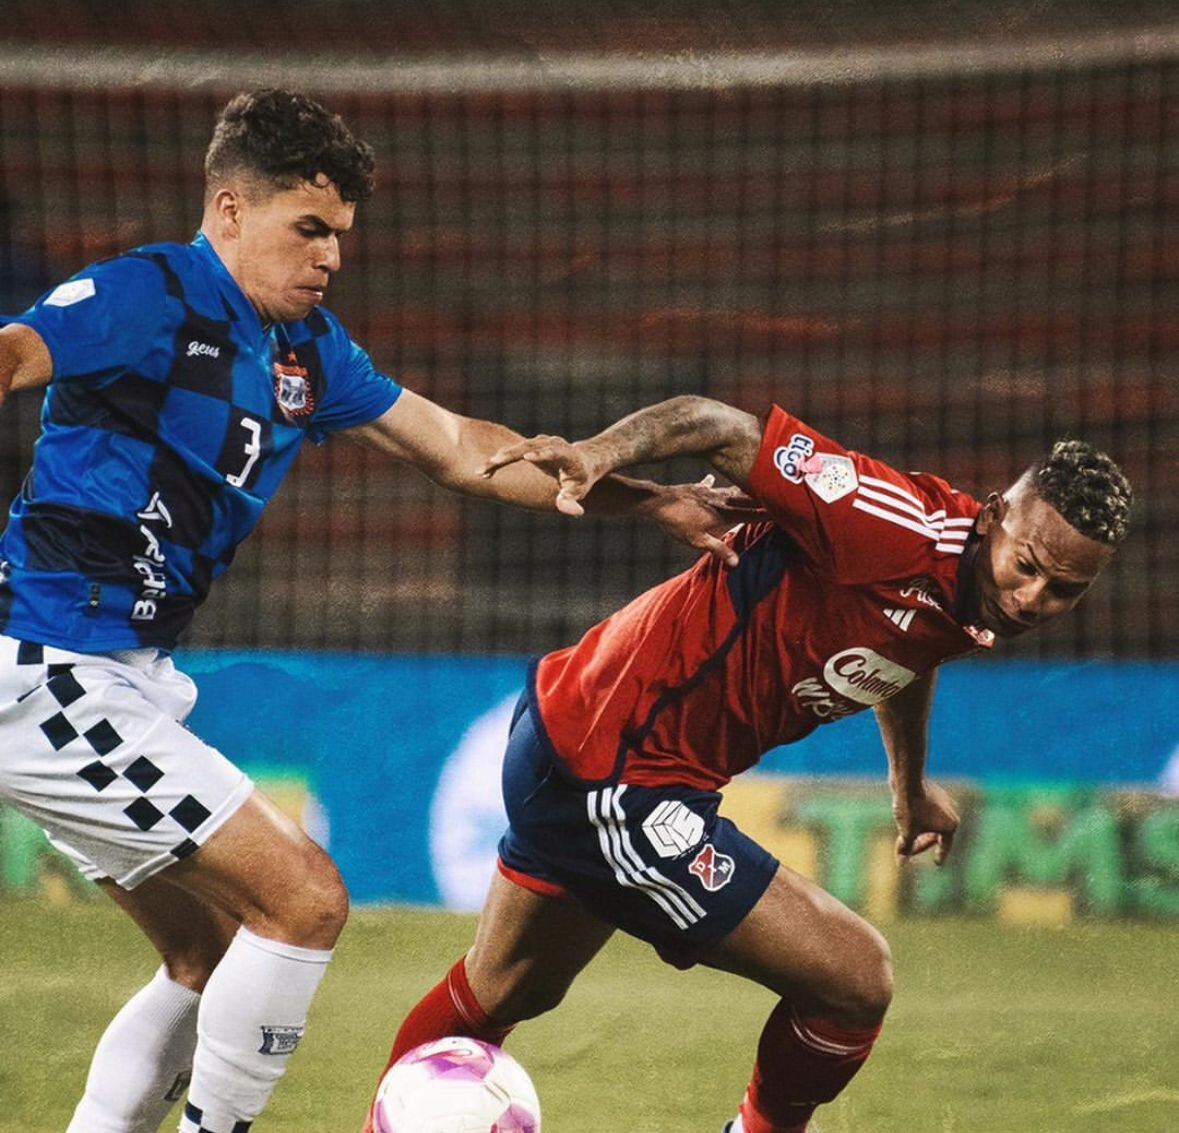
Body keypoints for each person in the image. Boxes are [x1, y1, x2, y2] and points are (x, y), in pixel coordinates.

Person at [0, 92, 750, 1133]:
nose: (330, 257)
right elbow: (11, 357)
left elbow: (460, 446)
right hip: (50, 668)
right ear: (228, 209)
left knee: (207, 952)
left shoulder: (306, 352)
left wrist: (653, 496)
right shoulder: (149, 293)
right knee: (305, 899)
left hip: (126, 674)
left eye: (341, 236)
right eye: (308, 229)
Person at [364, 394, 1132, 1133]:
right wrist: (601, 453)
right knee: (854, 980)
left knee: (498, 989)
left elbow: (912, 648)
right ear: (994, 515)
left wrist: (908, 784)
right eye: (1027, 566)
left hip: (574, 731)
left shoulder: (973, 592)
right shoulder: (884, 519)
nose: (1033, 597)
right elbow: (714, 422)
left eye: (1065, 589)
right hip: (617, 771)